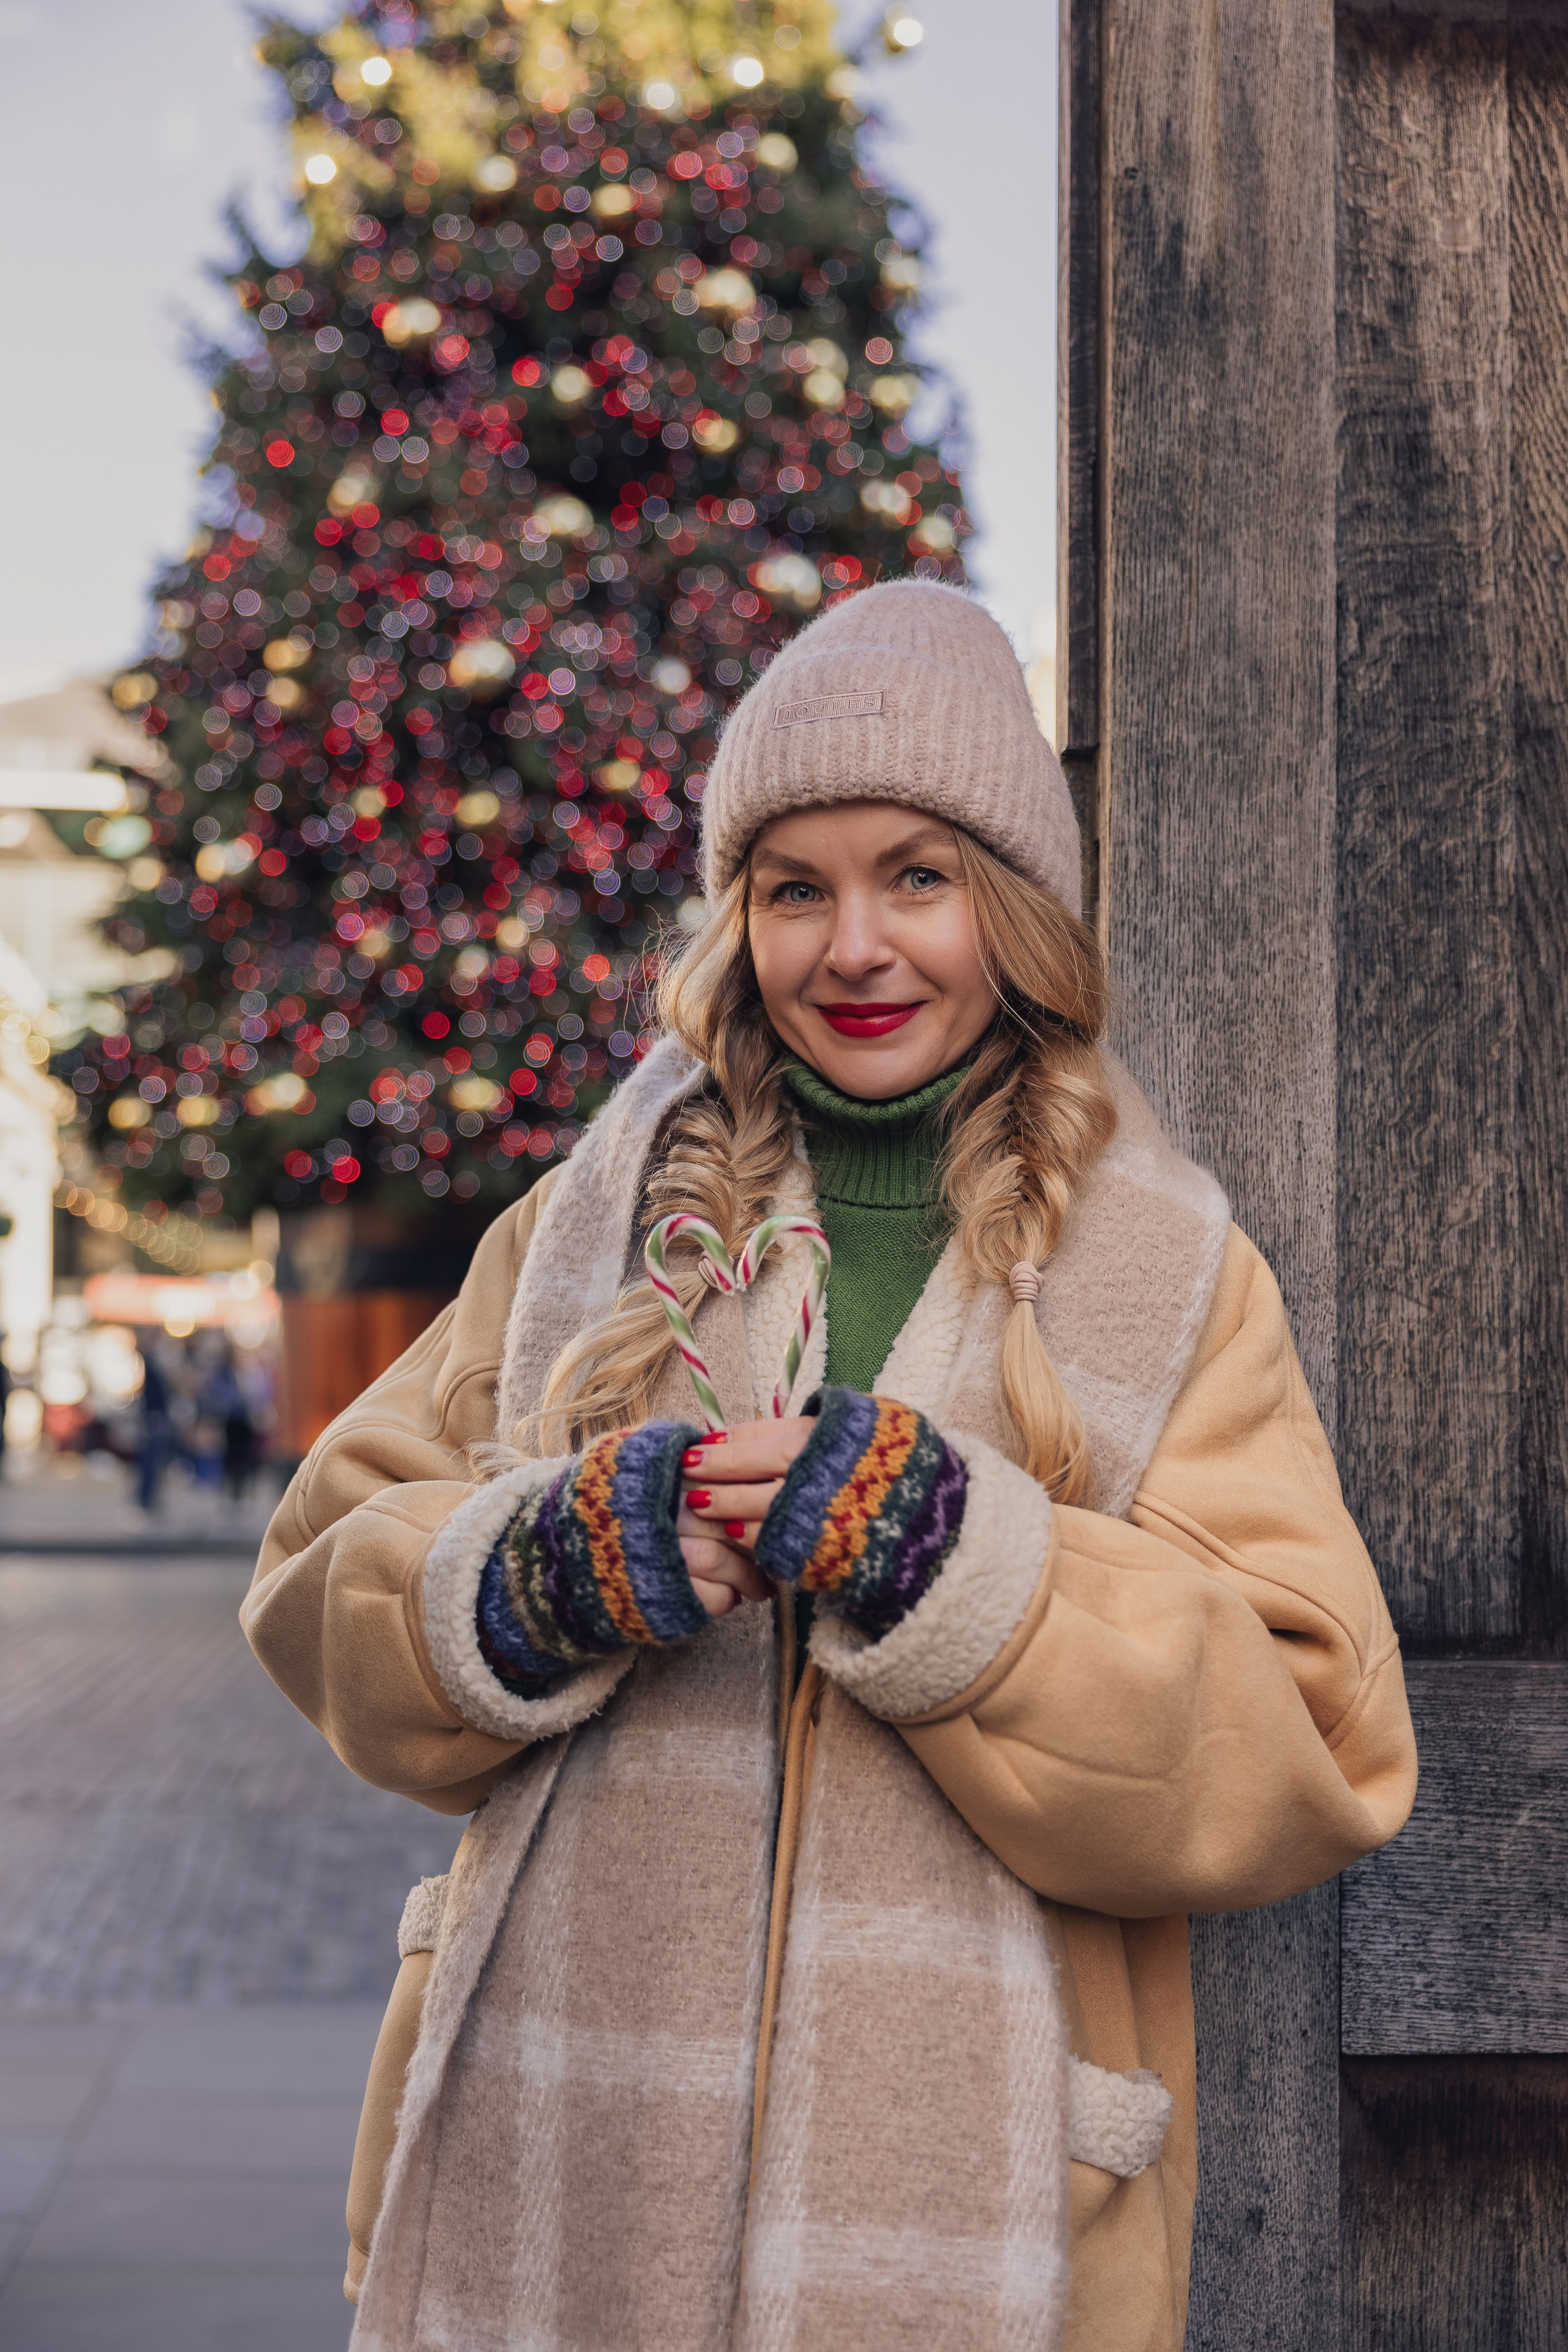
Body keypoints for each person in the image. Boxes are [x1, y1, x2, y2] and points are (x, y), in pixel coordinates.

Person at [244, 583, 1417, 2352]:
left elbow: (1312, 1740)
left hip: (970, 2208)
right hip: (576, 2169)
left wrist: (957, 1563)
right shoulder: (588, 1229)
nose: (854, 946)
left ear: (1009, 909)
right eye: (797, 888)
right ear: (742, 920)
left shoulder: (1169, 1272)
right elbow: (321, 1571)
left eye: (917, 877)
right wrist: (539, 1565)